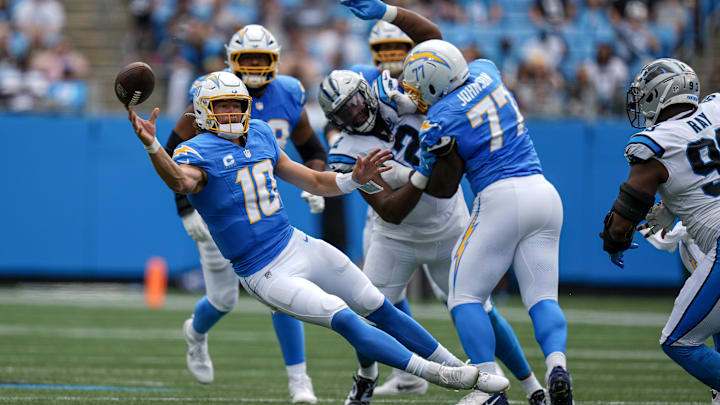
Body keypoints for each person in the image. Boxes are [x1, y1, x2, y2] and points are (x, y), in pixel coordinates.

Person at [128, 70, 510, 400]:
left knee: (378, 305)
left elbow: (310, 178)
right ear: (202, 112)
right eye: (222, 106)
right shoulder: (194, 151)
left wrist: (351, 179)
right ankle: (439, 376)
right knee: (344, 318)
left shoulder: (259, 133)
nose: (231, 113)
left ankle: (457, 365)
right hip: (263, 270)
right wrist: (152, 145)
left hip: (295, 242)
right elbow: (179, 180)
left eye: (236, 104)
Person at [338, 4, 548, 404]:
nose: (394, 66)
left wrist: (385, 9)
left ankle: (530, 386)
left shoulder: (438, 93)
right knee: (369, 308)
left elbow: (432, 37)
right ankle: (368, 375)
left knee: (479, 308)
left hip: (446, 222)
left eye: (401, 52)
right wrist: (416, 173)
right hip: (392, 232)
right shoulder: (362, 107)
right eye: (384, 55)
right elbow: (390, 208)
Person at [164, 24, 327, 404]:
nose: (253, 66)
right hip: (219, 214)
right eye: (246, 59)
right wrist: (185, 208)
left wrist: (312, 181)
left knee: (282, 294)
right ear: (231, 61)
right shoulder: (212, 92)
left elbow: (311, 146)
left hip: (265, 214)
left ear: (275, 60)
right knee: (223, 301)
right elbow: (174, 154)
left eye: (261, 58)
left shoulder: (288, 93)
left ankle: (299, 381)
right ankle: (196, 333)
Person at [600, 58, 720, 399]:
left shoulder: (656, 143)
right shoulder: (716, 108)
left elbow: (623, 217)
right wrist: (673, 205)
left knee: (678, 341)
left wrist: (614, 241)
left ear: (662, 94)